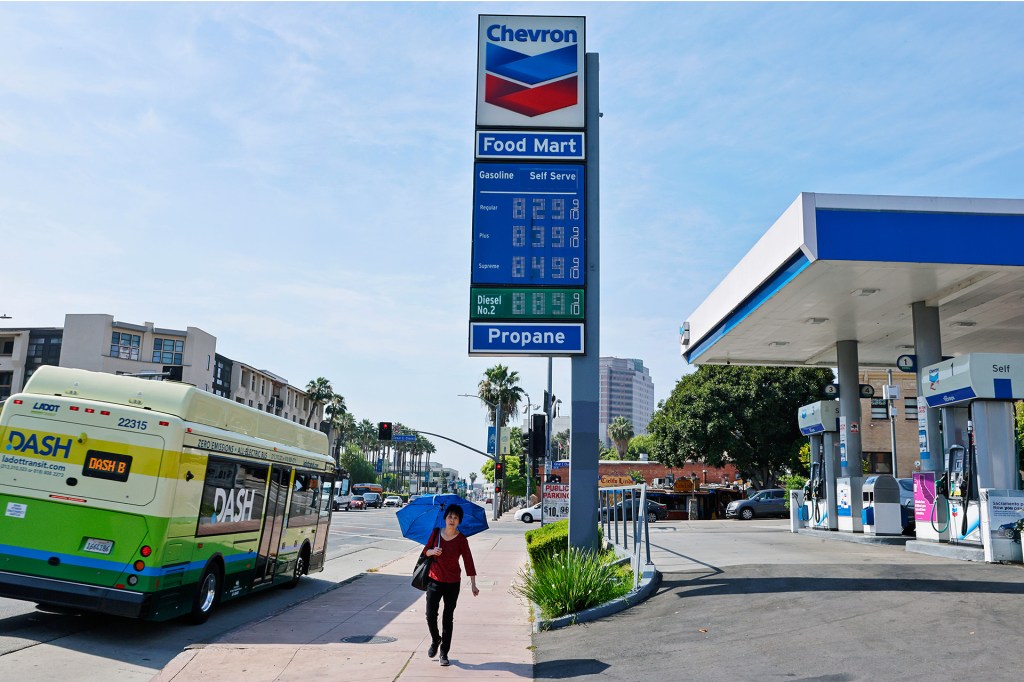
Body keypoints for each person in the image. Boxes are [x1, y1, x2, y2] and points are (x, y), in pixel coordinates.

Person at [421, 504, 479, 666]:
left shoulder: (461, 539)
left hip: (453, 583)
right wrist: (433, 552)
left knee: (448, 618)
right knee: (430, 615)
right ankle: (435, 639)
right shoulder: (436, 533)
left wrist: (473, 584)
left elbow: (469, 562)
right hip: (434, 580)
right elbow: (425, 550)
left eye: (455, 517)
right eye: (449, 517)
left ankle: (444, 652)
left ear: (459, 521)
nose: (452, 520)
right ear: (445, 518)